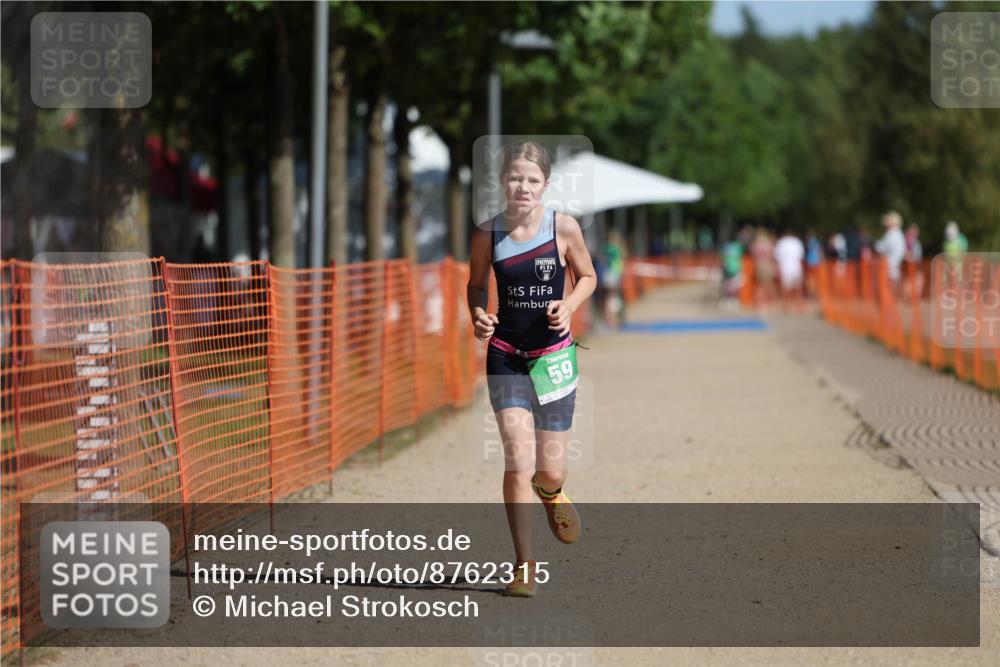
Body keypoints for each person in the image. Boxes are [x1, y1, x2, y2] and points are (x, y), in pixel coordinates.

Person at [466, 142, 597, 597]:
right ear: (503, 181)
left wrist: (569, 304)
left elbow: (588, 276)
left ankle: (551, 491)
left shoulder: (563, 227)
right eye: (515, 178)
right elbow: (476, 284)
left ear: (545, 185)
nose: (523, 186)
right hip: (506, 355)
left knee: (550, 471)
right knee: (518, 461)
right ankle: (524, 566)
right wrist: (477, 314)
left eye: (533, 180)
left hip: (553, 358)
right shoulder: (487, 234)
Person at [773, 229, 805, 308]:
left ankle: (786, 306)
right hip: (796, 267)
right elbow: (801, 256)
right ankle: (800, 305)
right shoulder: (797, 241)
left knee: (785, 288)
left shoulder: (781, 242)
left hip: (785, 267)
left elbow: (776, 256)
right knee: (798, 287)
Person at [874, 210, 906, 288]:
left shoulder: (891, 234)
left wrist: (873, 244)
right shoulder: (899, 234)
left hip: (887, 268)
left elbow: (880, 248)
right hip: (895, 268)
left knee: (887, 290)